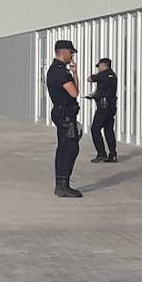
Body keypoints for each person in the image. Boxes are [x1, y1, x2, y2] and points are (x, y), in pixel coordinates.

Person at [47, 39, 83, 198]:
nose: (72, 55)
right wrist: (72, 73)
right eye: (71, 52)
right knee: (70, 149)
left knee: (63, 148)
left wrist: (74, 72)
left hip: (62, 113)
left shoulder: (57, 69)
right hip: (65, 115)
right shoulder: (60, 72)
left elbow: (75, 90)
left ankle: (61, 183)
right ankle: (63, 185)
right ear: (64, 52)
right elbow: (74, 93)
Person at [85, 58, 118, 163]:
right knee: (108, 130)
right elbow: (103, 90)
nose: (98, 68)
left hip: (103, 107)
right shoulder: (113, 76)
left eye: (99, 66)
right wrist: (94, 95)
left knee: (95, 129)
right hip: (111, 107)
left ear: (103, 65)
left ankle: (101, 154)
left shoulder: (103, 75)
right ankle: (113, 155)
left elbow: (90, 78)